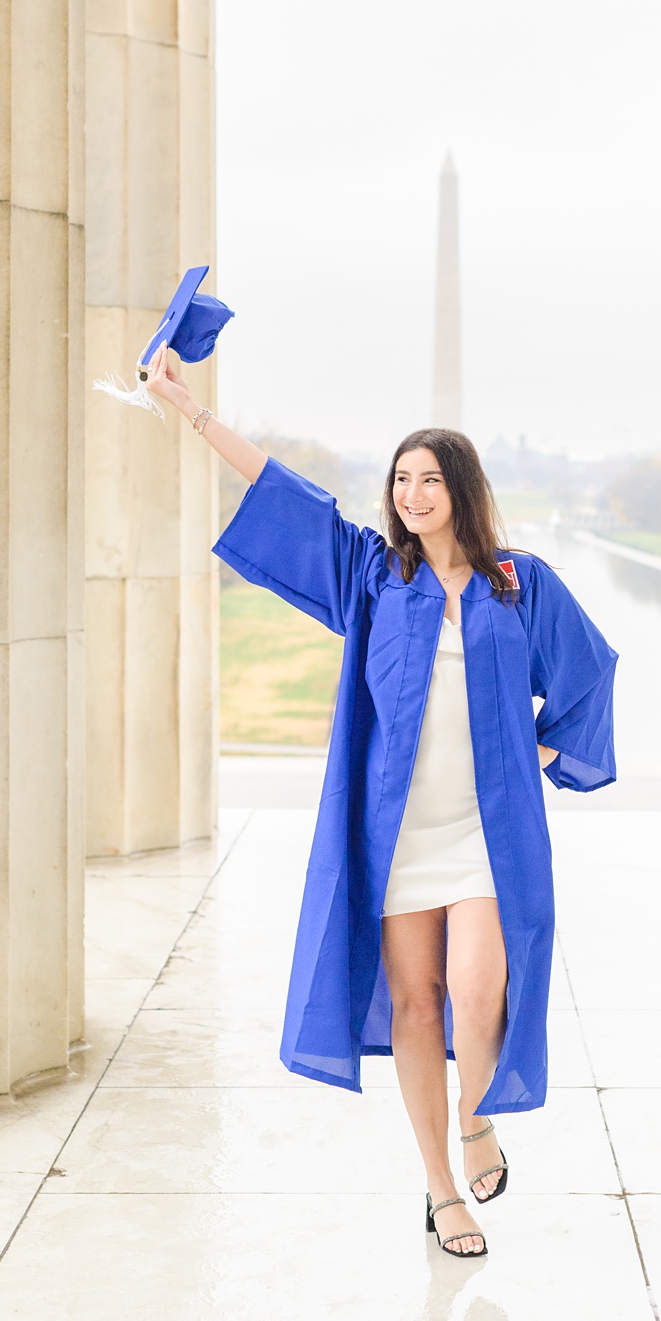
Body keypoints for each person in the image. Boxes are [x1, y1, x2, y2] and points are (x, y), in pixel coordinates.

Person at [145, 353, 617, 1259]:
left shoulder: (521, 584)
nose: (411, 493)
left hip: (484, 829)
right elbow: (286, 495)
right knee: (415, 1002)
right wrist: (191, 409)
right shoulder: (374, 576)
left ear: (463, 490)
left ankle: (476, 1125)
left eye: (430, 479)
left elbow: (588, 674)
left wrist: (536, 754)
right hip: (399, 835)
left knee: (482, 990)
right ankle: (441, 1189)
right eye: (401, 479)